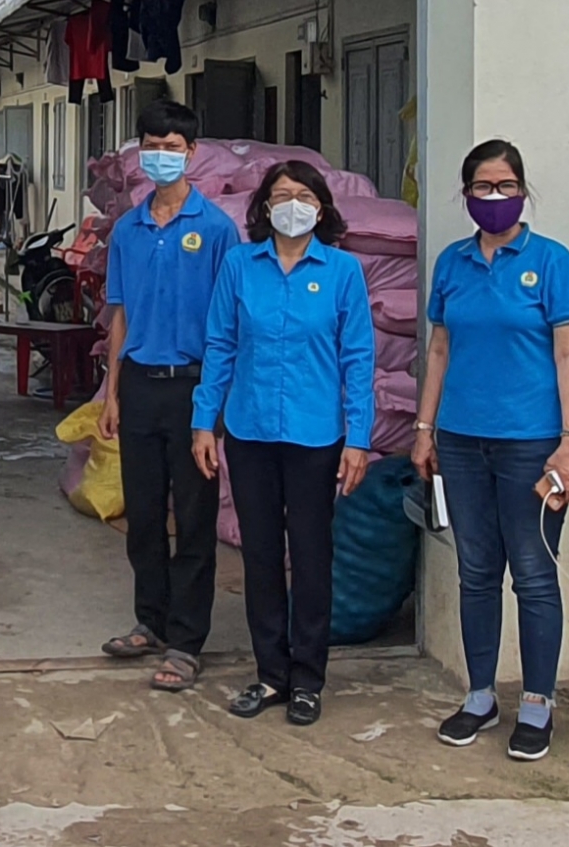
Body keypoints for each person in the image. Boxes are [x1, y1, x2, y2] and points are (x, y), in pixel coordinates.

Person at [414, 140, 569, 763]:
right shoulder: (453, 263)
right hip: (461, 441)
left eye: (505, 186)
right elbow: (439, 350)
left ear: (522, 190)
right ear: (465, 195)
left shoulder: (552, 262)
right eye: (482, 188)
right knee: (476, 572)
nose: (494, 198)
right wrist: (424, 428)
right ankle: (481, 695)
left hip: (533, 445)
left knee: (535, 575)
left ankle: (537, 702)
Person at [192, 160, 374, 727]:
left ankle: (308, 678)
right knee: (262, 556)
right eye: (281, 194)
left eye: (303, 194)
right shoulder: (240, 266)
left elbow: (358, 359)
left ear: (321, 207)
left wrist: (359, 439)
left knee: (312, 557)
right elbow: (220, 344)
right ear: (263, 206)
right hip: (249, 432)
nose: (292, 203)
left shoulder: (343, 271)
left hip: (317, 436)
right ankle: (271, 673)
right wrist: (205, 422)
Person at [98, 99, 238, 692]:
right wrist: (110, 392)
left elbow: (230, 321)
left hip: (194, 388)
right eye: (151, 144)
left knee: (196, 518)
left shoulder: (216, 229)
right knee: (145, 515)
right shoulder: (128, 229)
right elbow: (120, 314)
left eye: (172, 146)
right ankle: (149, 622)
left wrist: (218, 402)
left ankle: (185, 642)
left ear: (192, 152)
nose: (161, 154)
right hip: (138, 385)